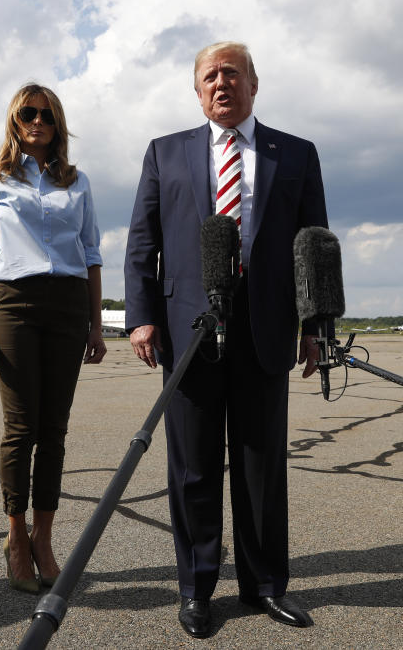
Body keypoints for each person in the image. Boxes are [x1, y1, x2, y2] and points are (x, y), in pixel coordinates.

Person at [124, 41, 328, 638]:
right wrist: (140, 317)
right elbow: (143, 242)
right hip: (188, 328)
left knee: (261, 465)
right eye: (210, 76)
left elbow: (312, 245)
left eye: (232, 74)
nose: (221, 84)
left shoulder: (295, 154)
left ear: (254, 84)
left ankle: (265, 585)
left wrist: (314, 326)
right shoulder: (166, 153)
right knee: (192, 466)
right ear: (196, 89)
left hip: (265, 329)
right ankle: (196, 588)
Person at [0, 83, 107, 594]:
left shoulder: (79, 181)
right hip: (14, 303)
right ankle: (14, 538)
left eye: (46, 115)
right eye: (28, 113)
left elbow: (91, 255)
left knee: (55, 429)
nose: (37, 121)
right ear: (14, 120)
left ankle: (44, 538)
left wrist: (95, 324)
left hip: (68, 305)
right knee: (21, 426)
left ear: (58, 122)